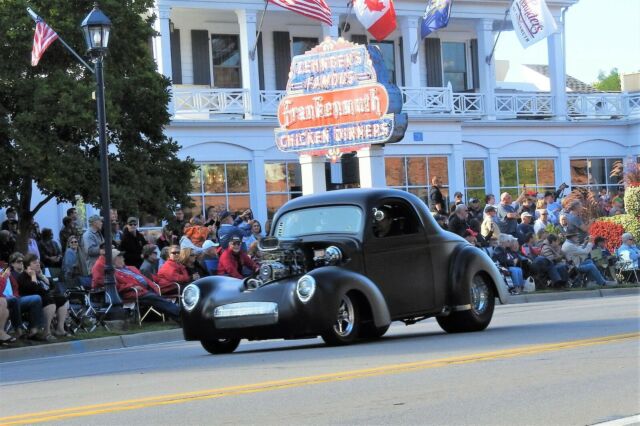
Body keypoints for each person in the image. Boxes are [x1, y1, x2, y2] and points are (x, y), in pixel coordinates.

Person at [106, 250, 180, 321]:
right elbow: (117, 287)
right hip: (134, 292)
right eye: (120, 257)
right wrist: (132, 286)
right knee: (156, 299)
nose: (123, 258)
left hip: (147, 288)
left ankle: (178, 317)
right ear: (114, 260)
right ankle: (179, 313)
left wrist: (153, 285)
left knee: (158, 300)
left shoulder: (131, 268)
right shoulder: (114, 273)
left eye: (122, 256)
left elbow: (145, 278)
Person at [18, 253, 69, 339]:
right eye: (34, 263)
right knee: (50, 301)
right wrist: (33, 276)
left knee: (62, 299)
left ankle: (60, 329)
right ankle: (46, 331)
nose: (38, 264)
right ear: (27, 266)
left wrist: (42, 276)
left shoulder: (38, 275)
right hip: (32, 302)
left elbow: (52, 286)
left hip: (44, 298)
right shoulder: (23, 276)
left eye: (38, 262)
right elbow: (35, 290)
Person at [2, 253, 44, 340]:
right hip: (8, 299)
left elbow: (16, 289)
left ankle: (34, 330)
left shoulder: (26, 273)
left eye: (22, 261)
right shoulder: (10, 273)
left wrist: (40, 276)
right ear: (12, 264)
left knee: (37, 298)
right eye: (18, 261)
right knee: (15, 299)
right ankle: (19, 331)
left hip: (18, 298)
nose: (21, 263)